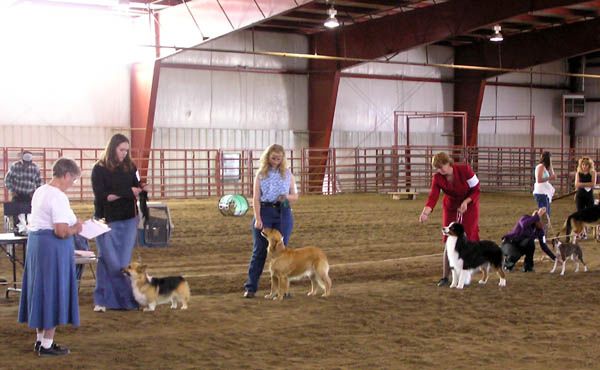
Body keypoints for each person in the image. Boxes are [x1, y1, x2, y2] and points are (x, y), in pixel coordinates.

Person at [17, 157, 83, 357]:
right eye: (73, 180)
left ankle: (40, 341)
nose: (72, 185)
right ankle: (47, 345)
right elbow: (61, 231)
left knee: (40, 292)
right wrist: (77, 228)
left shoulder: (40, 190)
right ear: (66, 175)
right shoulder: (58, 196)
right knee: (54, 292)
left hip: (37, 246)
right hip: (53, 248)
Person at [91, 134, 144, 312]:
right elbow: (104, 196)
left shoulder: (131, 166)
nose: (124, 153)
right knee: (110, 261)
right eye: (121, 150)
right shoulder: (99, 169)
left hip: (128, 218)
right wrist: (128, 191)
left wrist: (138, 191)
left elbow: (137, 188)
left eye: (126, 150)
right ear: (112, 148)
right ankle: (123, 299)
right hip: (106, 220)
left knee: (120, 261)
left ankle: (106, 300)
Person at [243, 144, 298, 298]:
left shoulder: (288, 174)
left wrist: (286, 197)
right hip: (265, 212)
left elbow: (295, 196)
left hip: (284, 212)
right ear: (268, 157)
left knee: (282, 252)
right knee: (259, 250)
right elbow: (255, 198)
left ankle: (283, 290)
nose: (276, 161)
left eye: (279, 158)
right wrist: (258, 218)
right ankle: (251, 287)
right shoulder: (260, 174)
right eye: (273, 158)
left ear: (283, 159)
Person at [419, 152, 480, 287]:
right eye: (437, 168)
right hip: (451, 207)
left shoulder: (465, 170)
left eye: (442, 167)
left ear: (449, 163)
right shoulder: (438, 178)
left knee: (469, 238)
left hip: (469, 206)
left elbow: (476, 189)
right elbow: (433, 197)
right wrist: (425, 213)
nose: (440, 171)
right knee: (449, 241)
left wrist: (466, 202)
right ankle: (445, 277)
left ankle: (466, 273)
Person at [501, 207, 556, 272]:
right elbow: (524, 224)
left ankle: (528, 267)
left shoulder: (540, 231)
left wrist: (555, 258)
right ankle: (507, 265)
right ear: (536, 220)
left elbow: (543, 245)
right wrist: (537, 216)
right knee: (515, 253)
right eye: (543, 223)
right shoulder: (525, 218)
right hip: (509, 243)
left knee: (530, 242)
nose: (543, 226)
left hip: (520, 246)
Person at [4, 150, 42, 229]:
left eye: (28, 163)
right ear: (22, 160)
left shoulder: (35, 168)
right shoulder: (15, 166)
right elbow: (7, 180)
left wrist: (35, 193)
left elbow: (39, 183)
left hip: (30, 196)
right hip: (17, 195)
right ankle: (17, 230)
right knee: (16, 216)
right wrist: (12, 190)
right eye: (25, 163)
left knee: (31, 216)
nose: (26, 165)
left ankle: (29, 232)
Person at [533, 151, 555, 228]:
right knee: (544, 214)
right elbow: (539, 180)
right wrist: (550, 178)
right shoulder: (541, 166)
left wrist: (551, 165)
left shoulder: (544, 167)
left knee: (547, 214)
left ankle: (543, 234)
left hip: (544, 193)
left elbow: (553, 175)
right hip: (541, 192)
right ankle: (540, 233)